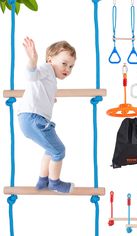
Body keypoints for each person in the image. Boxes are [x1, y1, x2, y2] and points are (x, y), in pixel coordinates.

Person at [18, 37, 76, 193]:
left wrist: (50, 98)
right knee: (59, 151)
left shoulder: (49, 77)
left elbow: (39, 89)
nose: (67, 69)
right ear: (50, 60)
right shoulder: (46, 69)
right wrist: (32, 60)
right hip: (34, 118)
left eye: (71, 66)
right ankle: (54, 183)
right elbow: (31, 76)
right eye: (64, 63)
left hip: (29, 119)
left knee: (50, 150)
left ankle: (42, 181)